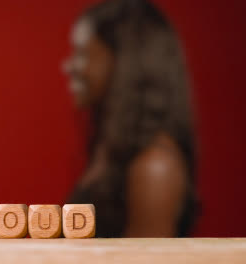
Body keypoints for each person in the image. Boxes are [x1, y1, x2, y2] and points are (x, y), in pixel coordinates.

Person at [64, 0, 199, 237]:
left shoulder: (154, 165)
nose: (69, 66)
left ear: (123, 61)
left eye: (83, 53)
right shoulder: (112, 152)